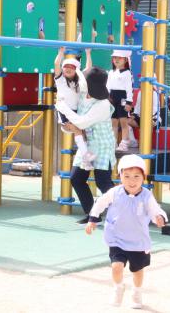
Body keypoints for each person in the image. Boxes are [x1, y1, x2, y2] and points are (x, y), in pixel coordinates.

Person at [86, 154, 167, 309]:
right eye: (127, 176)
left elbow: (155, 210)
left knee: (137, 270)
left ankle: (137, 292)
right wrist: (93, 219)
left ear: (143, 177)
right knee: (116, 267)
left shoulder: (146, 196)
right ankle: (118, 288)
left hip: (138, 241)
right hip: (116, 238)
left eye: (137, 176)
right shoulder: (114, 192)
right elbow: (100, 203)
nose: (132, 181)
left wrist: (159, 217)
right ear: (120, 176)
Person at [55, 66, 116, 224]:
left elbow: (82, 122)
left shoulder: (102, 104)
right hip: (86, 143)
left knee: (103, 182)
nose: (81, 81)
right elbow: (76, 122)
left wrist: (63, 108)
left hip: (102, 144)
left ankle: (121, 214)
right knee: (76, 178)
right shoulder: (83, 94)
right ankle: (92, 214)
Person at [54, 47, 94, 169]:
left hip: (77, 111)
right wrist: (61, 52)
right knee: (77, 129)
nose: (68, 69)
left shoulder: (79, 81)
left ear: (76, 70)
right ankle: (86, 157)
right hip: (65, 111)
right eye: (66, 67)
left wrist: (88, 53)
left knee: (85, 131)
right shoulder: (60, 80)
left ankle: (86, 156)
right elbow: (56, 64)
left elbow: (88, 69)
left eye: (71, 67)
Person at [107, 49, 134, 151]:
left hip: (123, 98)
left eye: (120, 58)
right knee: (113, 121)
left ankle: (124, 143)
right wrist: (107, 98)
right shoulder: (111, 72)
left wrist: (129, 102)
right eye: (115, 58)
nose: (116, 60)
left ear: (125, 60)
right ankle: (113, 143)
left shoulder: (127, 73)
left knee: (123, 121)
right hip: (112, 97)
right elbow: (107, 87)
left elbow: (129, 89)